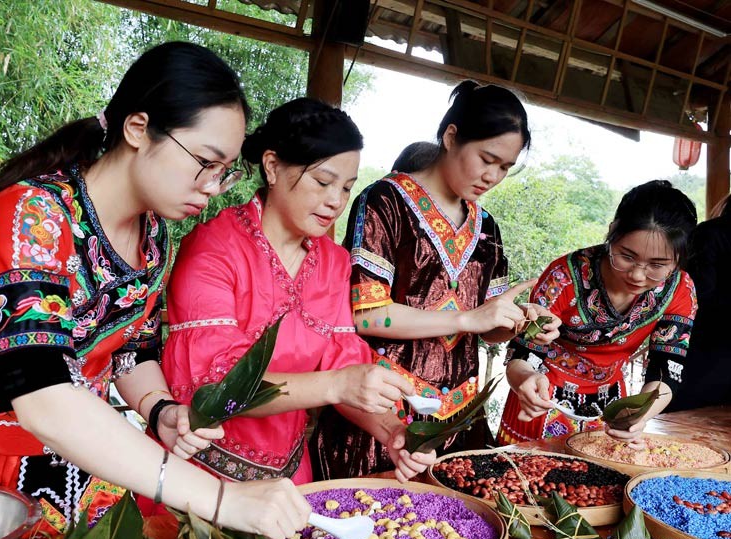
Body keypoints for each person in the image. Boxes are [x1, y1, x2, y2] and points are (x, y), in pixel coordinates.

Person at [0, 42, 310, 539]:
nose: (214, 187)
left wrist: (161, 410)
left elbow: (130, 349)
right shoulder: (32, 218)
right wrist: (220, 498)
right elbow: (44, 397)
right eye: (205, 163)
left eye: (226, 171)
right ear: (138, 129)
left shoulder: (153, 238)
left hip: (78, 468)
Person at [153, 98, 437, 490]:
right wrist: (337, 384)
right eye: (323, 182)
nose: (336, 201)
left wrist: (391, 431)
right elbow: (217, 384)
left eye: (347, 188)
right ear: (272, 166)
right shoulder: (213, 246)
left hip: (289, 479)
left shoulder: (334, 263)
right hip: (198, 478)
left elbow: (342, 360)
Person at [312, 81, 560, 480]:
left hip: (458, 419)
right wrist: (466, 319)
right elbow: (367, 316)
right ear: (450, 136)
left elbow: (490, 331)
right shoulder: (384, 202)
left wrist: (521, 319)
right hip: (382, 411)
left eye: (505, 167)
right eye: (487, 158)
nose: (493, 176)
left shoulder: (486, 228)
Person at [497, 180, 698, 447]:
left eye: (657, 265)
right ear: (612, 232)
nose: (638, 275)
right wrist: (525, 378)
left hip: (614, 407)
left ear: (679, 259)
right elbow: (524, 352)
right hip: (541, 396)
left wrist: (640, 415)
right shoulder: (565, 277)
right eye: (627, 256)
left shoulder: (679, 289)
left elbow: (667, 370)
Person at [666, 194, 731, 411]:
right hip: (710, 354)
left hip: (705, 359)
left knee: (681, 435)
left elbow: (694, 294)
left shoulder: (710, 234)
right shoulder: (711, 235)